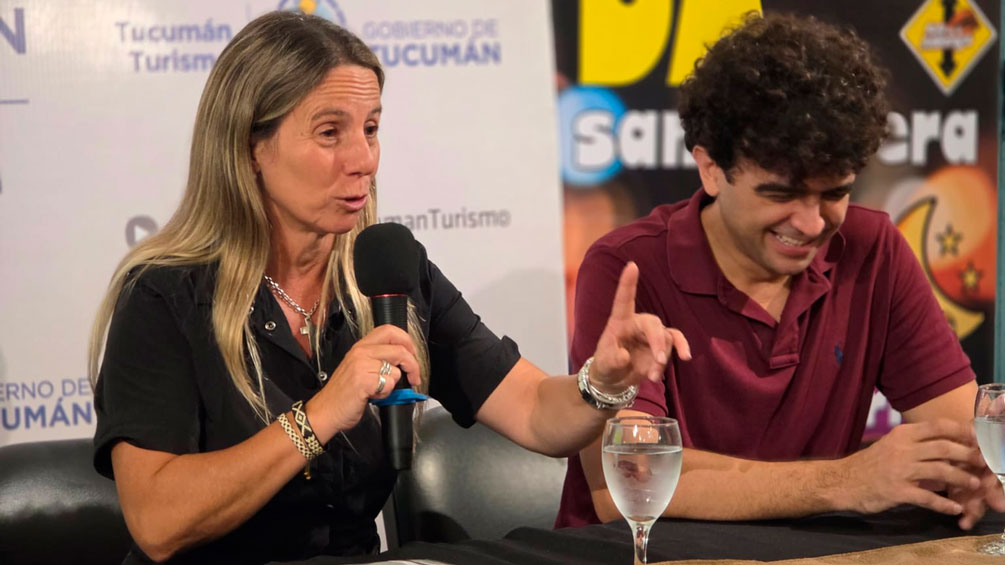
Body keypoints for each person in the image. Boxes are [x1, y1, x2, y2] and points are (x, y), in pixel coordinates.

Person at [89, 11, 686, 564]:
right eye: (330, 132)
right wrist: (321, 413)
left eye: (371, 129)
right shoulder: (165, 295)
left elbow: (535, 413)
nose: (364, 159)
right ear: (250, 147)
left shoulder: (388, 272)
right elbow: (158, 521)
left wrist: (603, 383)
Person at [556, 12, 1005, 530]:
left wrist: (973, 475)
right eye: (780, 194)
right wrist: (848, 480)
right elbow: (630, 482)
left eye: (834, 193)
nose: (812, 224)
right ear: (711, 169)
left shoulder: (873, 248)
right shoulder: (626, 266)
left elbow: (965, 442)